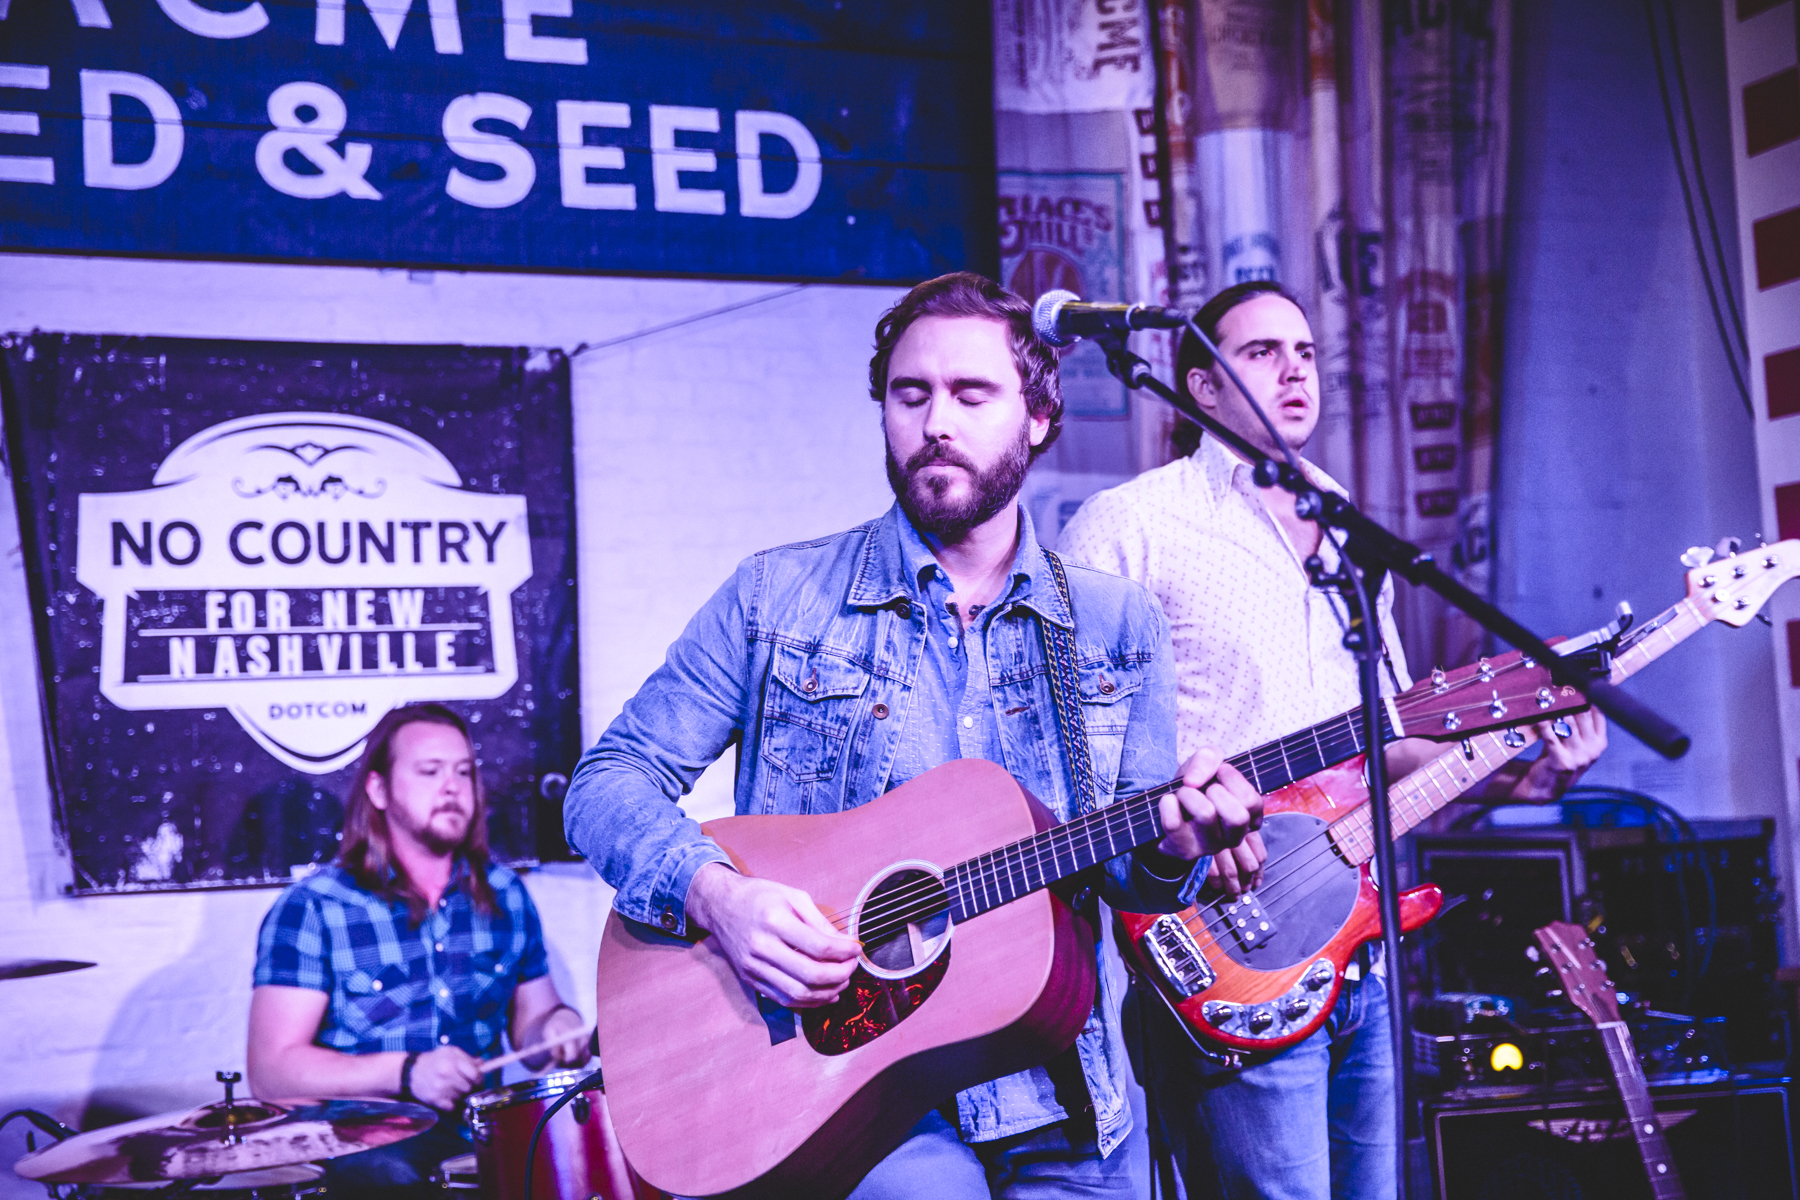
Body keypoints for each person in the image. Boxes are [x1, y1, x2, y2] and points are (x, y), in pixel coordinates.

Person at [562, 271, 1267, 1198]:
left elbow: (1132, 877)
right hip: (849, 1101)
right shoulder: (778, 598)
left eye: (971, 395)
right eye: (910, 394)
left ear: (1038, 416)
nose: (936, 422)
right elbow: (605, 783)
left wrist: (1177, 848)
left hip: (1065, 1088)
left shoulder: (1112, 621)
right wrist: (716, 894)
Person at [1058, 279, 1609, 1200]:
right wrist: (1172, 831)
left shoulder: (1342, 524)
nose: (1295, 372)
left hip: (1361, 950)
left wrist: (1529, 771)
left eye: (1306, 353)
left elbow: (1389, 737)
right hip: (1228, 940)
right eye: (1262, 353)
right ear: (1200, 386)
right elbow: (1063, 734)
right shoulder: (1132, 524)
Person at [248, 703, 590, 1198]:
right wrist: (407, 1072)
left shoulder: (505, 894)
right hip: (364, 1141)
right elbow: (271, 1072)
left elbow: (533, 1024)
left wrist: (556, 1027)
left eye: (464, 772)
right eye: (430, 771)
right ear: (378, 790)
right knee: (390, 1175)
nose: (452, 787)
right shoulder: (315, 907)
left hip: (479, 1133)